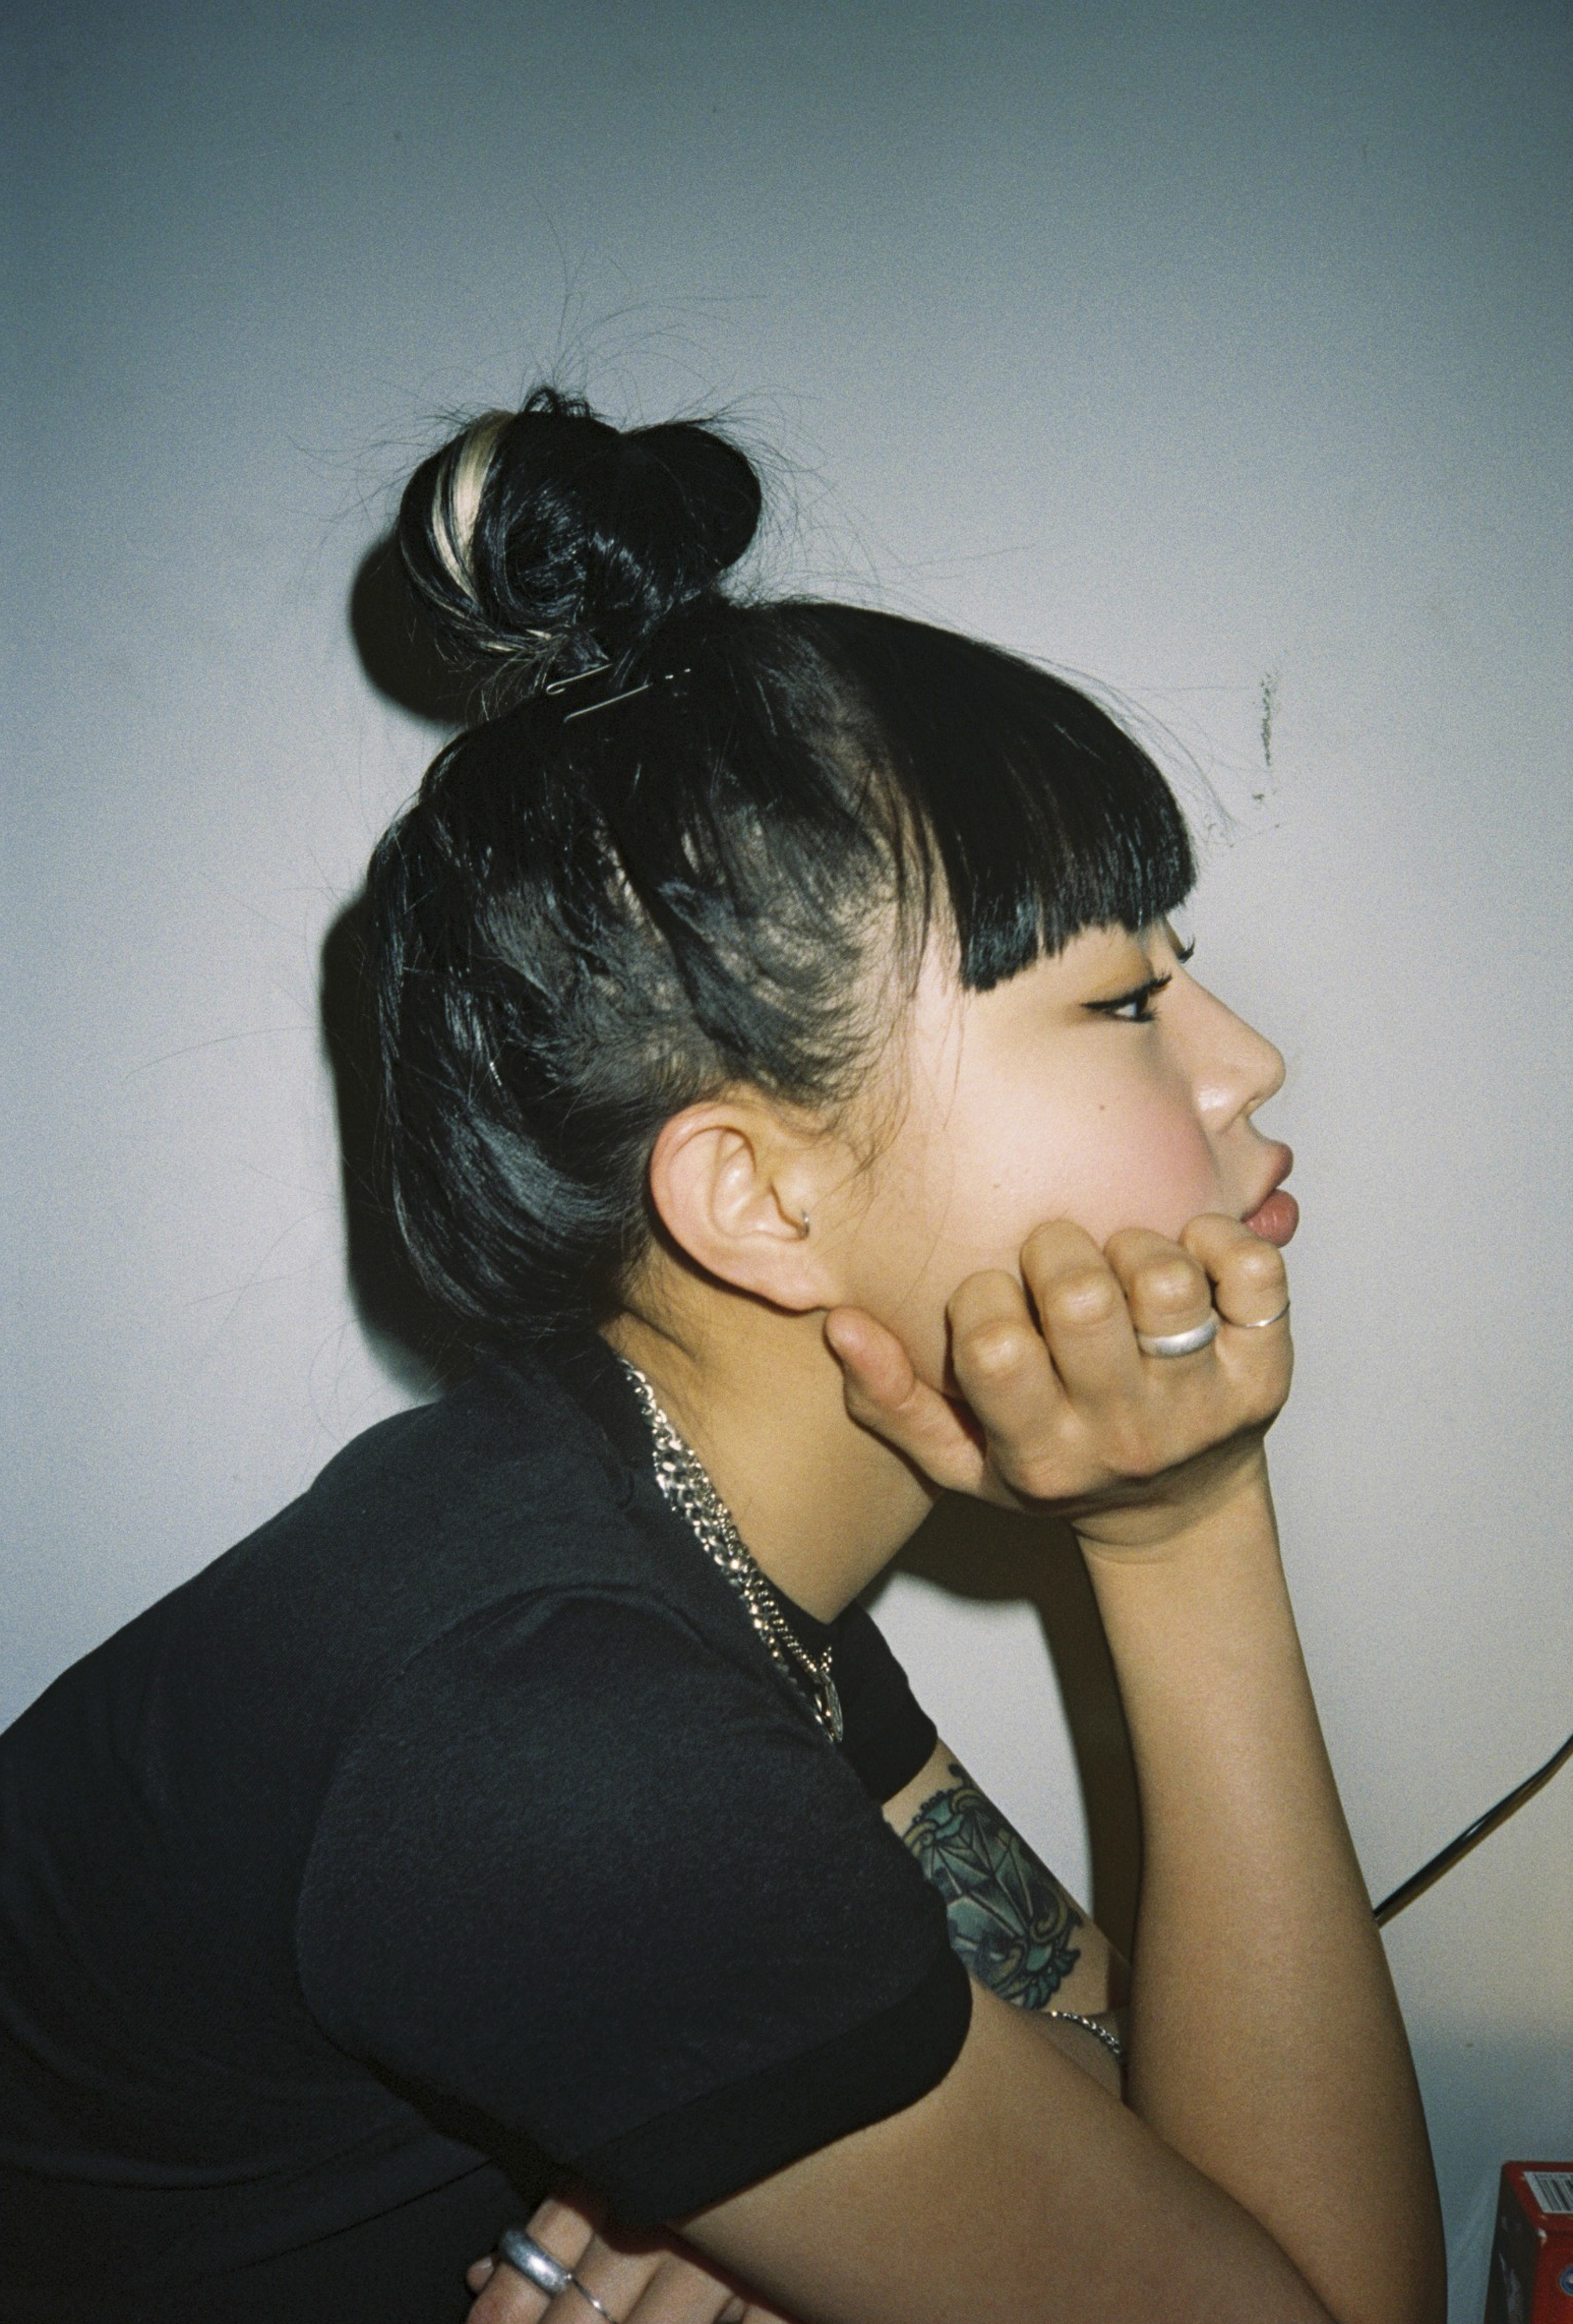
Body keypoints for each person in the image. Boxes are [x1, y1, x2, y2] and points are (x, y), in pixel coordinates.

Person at [0, 389, 1444, 2324]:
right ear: (755, 1195)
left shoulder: (665, 1546)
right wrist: (1181, 1538)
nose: (1244, 1061)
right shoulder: (554, 1724)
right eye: (1121, 999)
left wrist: (899, 2164)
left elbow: (1135, 2096)